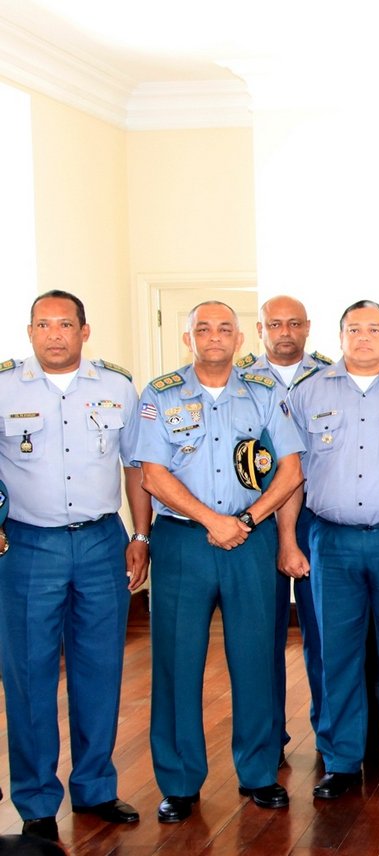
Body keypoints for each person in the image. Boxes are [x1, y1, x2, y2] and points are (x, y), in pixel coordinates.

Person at [134, 300, 305, 823]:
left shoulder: (264, 392)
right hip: (184, 543)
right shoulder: (159, 395)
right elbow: (152, 474)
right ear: (187, 339)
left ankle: (257, 772)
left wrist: (249, 522)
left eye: (223, 329)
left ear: (239, 338)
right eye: (202, 329)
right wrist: (213, 520)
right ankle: (180, 782)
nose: (213, 336)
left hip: (248, 541)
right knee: (176, 661)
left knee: (255, 657)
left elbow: (291, 468)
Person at [0, 291, 152, 842]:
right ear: (30, 331)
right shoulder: (3, 386)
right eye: (44, 324)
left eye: (65, 324)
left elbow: (136, 467)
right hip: (26, 546)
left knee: (100, 669)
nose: (54, 334)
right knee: (29, 676)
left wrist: (140, 534)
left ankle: (95, 787)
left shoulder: (116, 386)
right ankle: (37, 800)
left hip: (99, 544)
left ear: (85, 331)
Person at [281, 299, 379, 800]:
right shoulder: (309, 393)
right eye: (354, 329)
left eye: (374, 329)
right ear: (341, 335)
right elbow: (292, 476)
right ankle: (342, 760)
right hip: (333, 541)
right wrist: (288, 539)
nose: (364, 337)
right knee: (336, 654)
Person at [239, 294, 333, 762]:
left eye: (294, 323)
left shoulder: (332, 375)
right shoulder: (238, 379)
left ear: (308, 327)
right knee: (262, 636)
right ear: (260, 329)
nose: (284, 332)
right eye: (274, 324)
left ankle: (329, 737)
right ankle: (268, 739)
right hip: (254, 520)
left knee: (323, 635)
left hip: (316, 516)